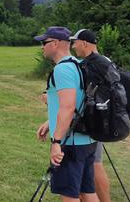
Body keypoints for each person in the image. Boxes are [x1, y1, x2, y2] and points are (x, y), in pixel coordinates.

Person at [34, 26, 99, 202]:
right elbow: (78, 102)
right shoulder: (77, 64)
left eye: (44, 42)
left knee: (70, 195)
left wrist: (56, 142)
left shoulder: (62, 69)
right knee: (87, 191)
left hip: (70, 142)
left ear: (55, 43)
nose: (42, 47)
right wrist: (50, 122)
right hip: (86, 140)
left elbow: (68, 107)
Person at [70, 28, 112, 202]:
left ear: (84, 43)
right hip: (102, 118)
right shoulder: (106, 61)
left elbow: (80, 97)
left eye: (75, 42)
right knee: (94, 164)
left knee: (94, 165)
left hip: (90, 122)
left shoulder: (89, 65)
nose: (73, 46)